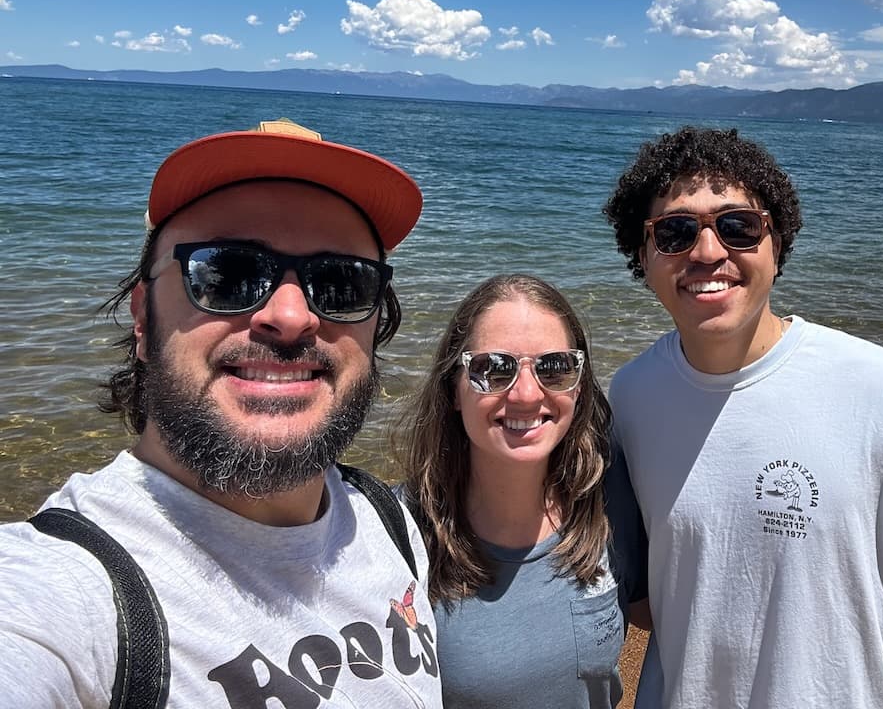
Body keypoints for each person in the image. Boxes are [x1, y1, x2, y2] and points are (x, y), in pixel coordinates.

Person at [0, 119, 444, 709]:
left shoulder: (389, 523)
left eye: (340, 283)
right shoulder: (68, 591)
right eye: (227, 273)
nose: (290, 316)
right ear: (141, 318)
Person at [602, 126, 883, 709]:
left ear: (777, 245)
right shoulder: (628, 398)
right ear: (643, 255)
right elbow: (651, 592)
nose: (707, 252)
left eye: (737, 226)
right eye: (675, 231)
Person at [395, 274, 647, 709]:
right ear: (454, 388)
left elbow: (657, 616)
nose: (528, 394)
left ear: (580, 385)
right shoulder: (398, 534)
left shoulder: (609, 501)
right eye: (492, 369)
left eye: (555, 368)